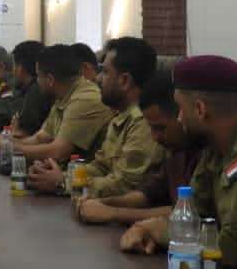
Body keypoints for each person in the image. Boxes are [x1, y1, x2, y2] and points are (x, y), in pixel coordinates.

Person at [120, 55, 237, 267]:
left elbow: (234, 249)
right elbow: (192, 213)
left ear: (200, 109)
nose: (179, 118)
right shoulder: (216, 145)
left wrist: (160, 232)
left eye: (181, 109)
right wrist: (146, 228)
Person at [27, 37, 163, 197]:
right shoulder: (120, 117)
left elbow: (124, 185)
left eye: (105, 72)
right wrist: (54, 175)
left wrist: (63, 183)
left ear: (124, 81)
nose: (98, 78)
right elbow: (100, 167)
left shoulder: (144, 123)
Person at [77, 73, 202, 226]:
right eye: (152, 128)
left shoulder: (204, 152)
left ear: (182, 116)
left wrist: (113, 213)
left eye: (160, 128)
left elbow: (190, 213)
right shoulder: (176, 152)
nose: (155, 137)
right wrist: (104, 203)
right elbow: (147, 194)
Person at [15, 44, 113, 173]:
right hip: (74, 176)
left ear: (50, 80)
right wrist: (6, 142)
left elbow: (58, 152)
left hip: (89, 178)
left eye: (38, 76)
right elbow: (40, 138)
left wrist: (11, 149)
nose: (37, 81)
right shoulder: (63, 96)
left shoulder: (85, 99)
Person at [10, 41, 53, 138]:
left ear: (20, 68)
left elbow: (22, 133)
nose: (13, 70)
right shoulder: (33, 88)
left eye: (14, 65)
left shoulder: (35, 91)